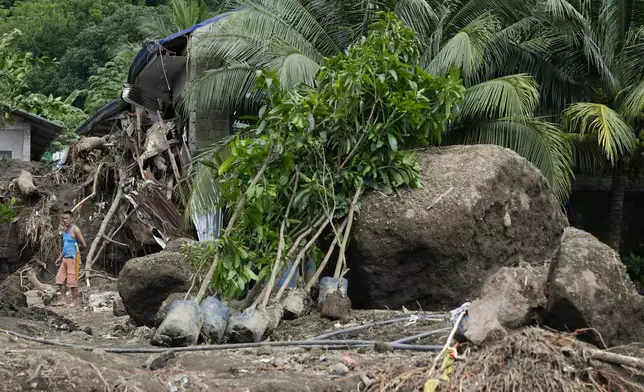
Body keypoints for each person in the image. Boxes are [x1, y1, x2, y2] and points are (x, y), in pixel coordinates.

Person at [55, 210, 87, 307]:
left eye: (67, 218)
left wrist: (75, 250)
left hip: (73, 259)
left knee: (72, 282)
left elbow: (84, 245)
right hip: (64, 259)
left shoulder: (75, 229)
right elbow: (65, 246)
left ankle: (74, 302)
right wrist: (60, 257)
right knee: (59, 280)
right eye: (63, 218)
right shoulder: (65, 230)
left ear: (71, 219)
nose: (65, 220)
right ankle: (63, 300)